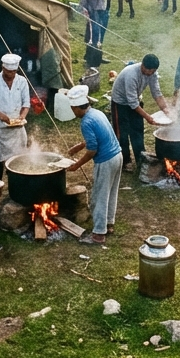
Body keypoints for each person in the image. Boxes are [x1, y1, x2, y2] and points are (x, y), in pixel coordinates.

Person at [66, 85, 122, 246]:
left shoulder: (86, 122)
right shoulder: (97, 113)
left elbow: (93, 150)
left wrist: (77, 165)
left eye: (72, 109)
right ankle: (108, 224)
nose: (72, 111)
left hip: (106, 161)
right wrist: (80, 146)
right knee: (111, 193)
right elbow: (100, 136)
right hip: (117, 156)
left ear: (77, 107)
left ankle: (98, 234)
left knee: (99, 196)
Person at [109, 54, 171, 172]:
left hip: (135, 100)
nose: (150, 73)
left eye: (153, 71)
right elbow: (132, 103)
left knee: (137, 130)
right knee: (122, 133)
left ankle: (140, 158)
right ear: (142, 65)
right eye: (148, 71)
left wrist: (166, 110)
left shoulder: (152, 74)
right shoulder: (131, 74)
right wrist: (148, 117)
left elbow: (156, 92)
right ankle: (125, 161)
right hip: (120, 103)